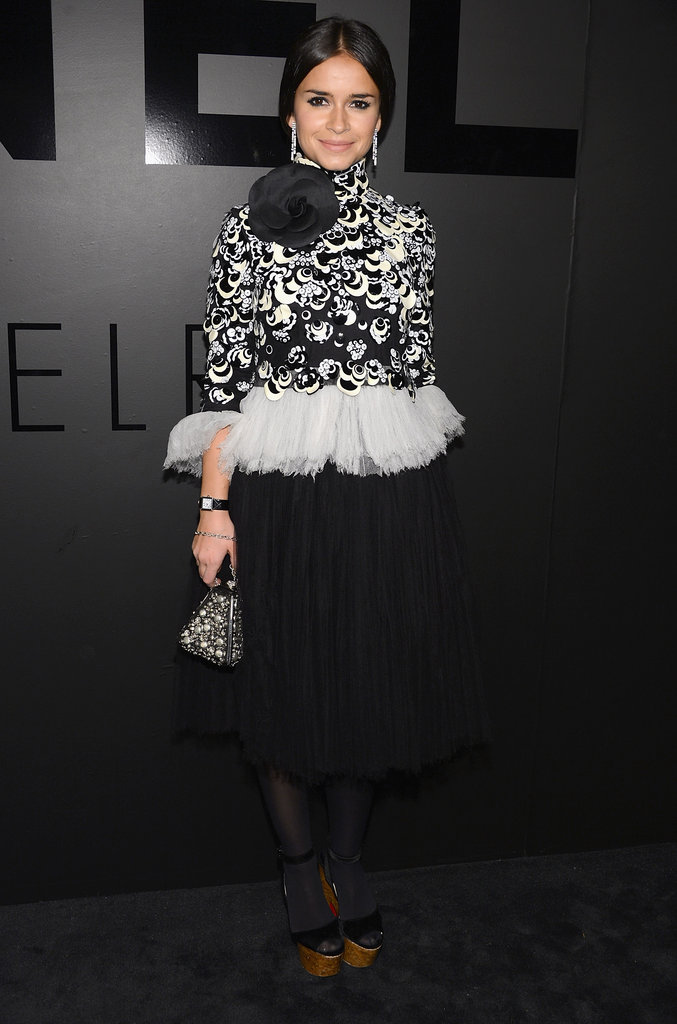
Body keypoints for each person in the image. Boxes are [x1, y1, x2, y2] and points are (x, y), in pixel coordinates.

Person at [164, 17, 489, 977]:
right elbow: (226, 384)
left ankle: (349, 858)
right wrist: (212, 509)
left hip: (387, 489)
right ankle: (299, 866)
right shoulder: (244, 228)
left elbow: (415, 370)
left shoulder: (411, 229)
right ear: (289, 112)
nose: (338, 122)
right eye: (319, 100)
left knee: (369, 681)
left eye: (359, 102)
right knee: (284, 682)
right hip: (278, 489)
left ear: (381, 117)